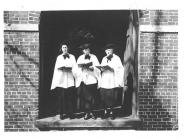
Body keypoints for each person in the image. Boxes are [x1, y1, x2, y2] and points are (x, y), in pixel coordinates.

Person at [50, 42, 77, 120]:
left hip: (70, 79)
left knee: (70, 98)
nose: (65, 49)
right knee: (61, 98)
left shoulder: (72, 57)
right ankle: (61, 113)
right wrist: (61, 69)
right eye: (63, 47)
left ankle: (70, 113)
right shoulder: (59, 57)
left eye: (66, 47)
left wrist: (71, 69)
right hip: (61, 80)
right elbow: (56, 68)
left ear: (68, 48)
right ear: (61, 49)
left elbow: (75, 67)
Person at [75, 43, 100, 120]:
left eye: (88, 49)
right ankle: (87, 112)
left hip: (92, 79)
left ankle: (92, 112)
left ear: (89, 50)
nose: (86, 51)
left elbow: (98, 67)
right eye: (85, 50)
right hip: (84, 80)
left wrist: (93, 68)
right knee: (85, 97)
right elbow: (76, 69)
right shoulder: (80, 58)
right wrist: (81, 69)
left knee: (92, 97)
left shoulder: (94, 57)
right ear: (83, 51)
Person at [99, 43, 124, 119]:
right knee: (104, 97)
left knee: (112, 97)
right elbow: (101, 67)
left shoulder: (117, 58)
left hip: (112, 80)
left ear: (112, 50)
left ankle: (112, 112)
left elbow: (120, 69)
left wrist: (113, 69)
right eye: (106, 50)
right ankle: (106, 111)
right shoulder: (104, 58)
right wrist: (101, 68)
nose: (108, 52)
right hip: (105, 79)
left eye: (109, 50)